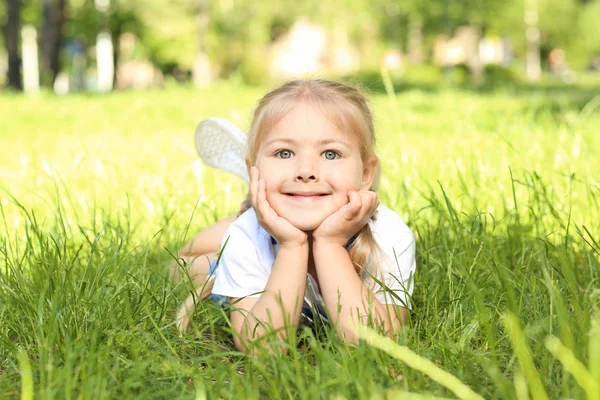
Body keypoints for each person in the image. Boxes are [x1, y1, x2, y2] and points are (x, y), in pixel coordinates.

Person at [171, 79, 416, 352]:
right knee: (187, 264)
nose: (306, 170)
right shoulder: (245, 235)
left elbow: (375, 345)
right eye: (284, 152)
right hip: (240, 247)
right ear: (254, 170)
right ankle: (254, 209)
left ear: (367, 174)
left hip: (269, 222)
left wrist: (330, 244)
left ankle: (273, 193)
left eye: (331, 153)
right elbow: (263, 350)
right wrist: (292, 245)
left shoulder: (389, 235)